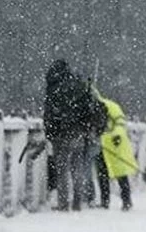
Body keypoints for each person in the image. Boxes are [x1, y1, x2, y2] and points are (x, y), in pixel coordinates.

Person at [42, 60, 95, 211]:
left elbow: (49, 113)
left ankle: (63, 203)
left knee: (62, 170)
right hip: (78, 133)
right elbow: (87, 109)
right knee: (77, 168)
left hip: (60, 134)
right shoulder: (79, 85)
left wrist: (49, 132)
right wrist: (85, 128)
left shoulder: (54, 88)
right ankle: (78, 201)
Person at [92, 87, 136, 211]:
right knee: (102, 173)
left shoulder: (110, 106)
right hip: (101, 144)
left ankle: (126, 200)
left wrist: (116, 134)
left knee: (120, 173)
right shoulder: (92, 108)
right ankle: (105, 201)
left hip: (114, 144)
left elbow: (120, 121)